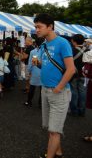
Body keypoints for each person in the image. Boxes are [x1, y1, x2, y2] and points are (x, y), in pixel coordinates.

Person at [33, 14, 75, 158]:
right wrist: (38, 64)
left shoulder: (62, 43)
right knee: (51, 128)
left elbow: (71, 69)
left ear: (50, 26)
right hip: (45, 89)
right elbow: (47, 65)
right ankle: (58, 151)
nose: (36, 30)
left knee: (54, 131)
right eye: (35, 27)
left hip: (59, 92)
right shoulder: (44, 44)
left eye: (39, 27)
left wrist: (58, 88)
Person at [69, 34, 89, 117]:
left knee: (74, 92)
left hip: (74, 74)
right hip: (85, 75)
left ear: (74, 41)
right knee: (83, 92)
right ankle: (82, 111)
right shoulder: (88, 50)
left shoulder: (71, 50)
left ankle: (74, 110)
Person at [24, 37, 44, 107]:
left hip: (35, 71)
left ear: (36, 43)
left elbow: (32, 63)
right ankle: (41, 104)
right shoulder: (45, 52)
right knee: (42, 89)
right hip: (43, 72)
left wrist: (29, 71)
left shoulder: (34, 52)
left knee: (32, 87)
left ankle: (29, 101)